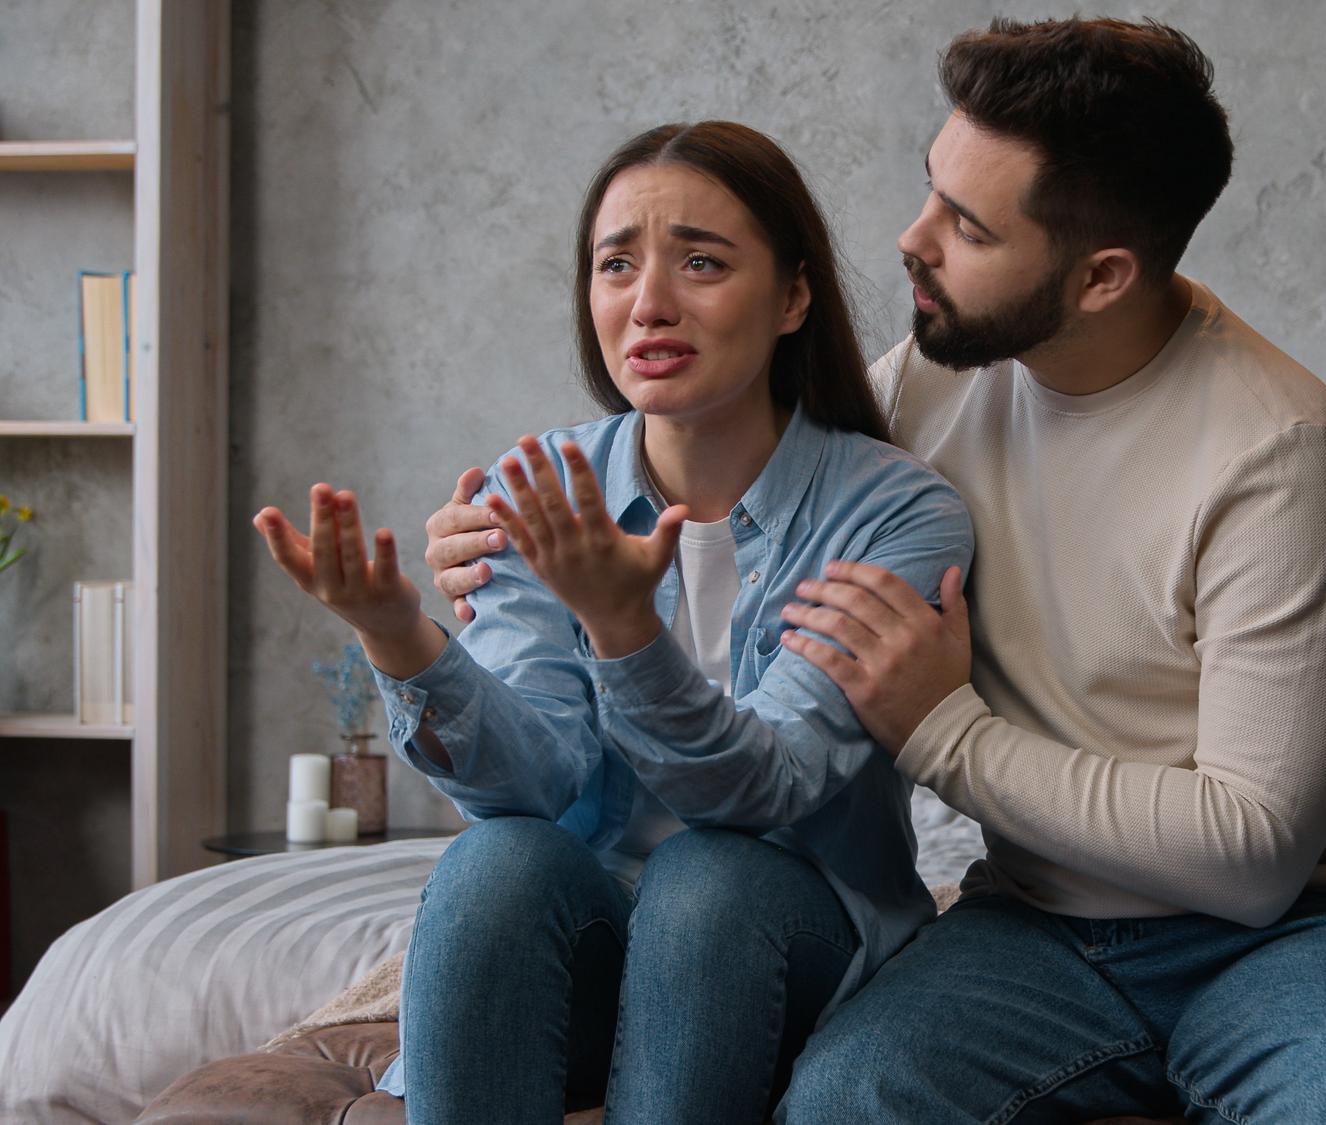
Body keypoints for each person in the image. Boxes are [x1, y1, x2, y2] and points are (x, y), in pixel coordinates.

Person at [431, 18, 1326, 1123]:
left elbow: (1254, 857)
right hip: (1031, 927)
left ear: (1100, 276)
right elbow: (744, 447)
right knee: (837, 1106)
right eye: (930, 190)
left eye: (965, 226)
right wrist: (489, 541)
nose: (909, 239)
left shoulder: (1276, 455)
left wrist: (944, 733)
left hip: (1299, 931)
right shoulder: (929, 381)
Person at [253, 120, 972, 1125]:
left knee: (709, 876)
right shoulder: (541, 485)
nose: (648, 302)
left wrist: (621, 626)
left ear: (793, 297)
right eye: (615, 264)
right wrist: (395, 632)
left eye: (700, 262)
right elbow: (527, 785)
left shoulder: (894, 513)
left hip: (780, 947)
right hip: (587, 949)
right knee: (496, 860)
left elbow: (766, 787)